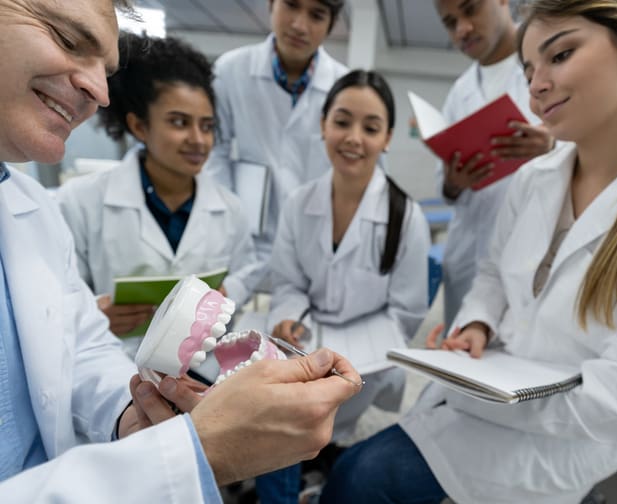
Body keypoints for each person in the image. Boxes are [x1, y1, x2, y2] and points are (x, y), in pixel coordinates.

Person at [320, 1, 617, 503]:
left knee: (365, 478)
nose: (536, 85)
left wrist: (481, 393)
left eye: (560, 56)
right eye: (528, 70)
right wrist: (477, 324)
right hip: (495, 384)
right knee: (357, 472)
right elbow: (494, 273)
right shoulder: (537, 179)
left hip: (576, 428)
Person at [0, 0, 361, 501]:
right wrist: (192, 449)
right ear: (139, 127)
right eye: (66, 40)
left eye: (208, 126)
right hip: (127, 380)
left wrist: (132, 416)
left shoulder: (29, 209)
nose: (97, 90)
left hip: (162, 380)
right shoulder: (72, 203)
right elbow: (81, 331)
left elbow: (78, 346)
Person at [255, 69, 430, 503]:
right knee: (281, 419)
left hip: (367, 363)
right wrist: (288, 317)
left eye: (370, 128)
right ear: (323, 125)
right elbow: (289, 282)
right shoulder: (299, 204)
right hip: (307, 342)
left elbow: (406, 311)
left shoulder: (406, 217)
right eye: (342, 121)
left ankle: (318, 475)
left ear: (387, 138)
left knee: (312, 426)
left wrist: (364, 350)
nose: (354, 137)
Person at [57, 33, 260, 343]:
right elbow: (58, 294)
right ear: (140, 126)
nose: (198, 139)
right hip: (112, 364)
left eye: (206, 126)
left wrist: (229, 292)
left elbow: (247, 271)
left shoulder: (229, 208)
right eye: (179, 123)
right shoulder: (81, 201)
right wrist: (95, 314)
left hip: (199, 366)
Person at [204, 0, 348, 291]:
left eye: (316, 15)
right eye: (291, 5)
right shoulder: (230, 70)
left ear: (330, 25)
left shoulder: (344, 87)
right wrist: (230, 221)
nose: (299, 24)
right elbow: (213, 153)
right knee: (228, 323)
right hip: (245, 242)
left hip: (315, 249)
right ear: (271, 4)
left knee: (299, 329)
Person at [434, 0, 554, 329]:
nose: (462, 29)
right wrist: (452, 182)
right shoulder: (460, 92)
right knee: (461, 357)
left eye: (470, 9)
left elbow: (597, 151)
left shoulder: (549, 68)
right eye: (449, 22)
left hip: (531, 257)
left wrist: (553, 145)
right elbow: (444, 189)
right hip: (467, 254)